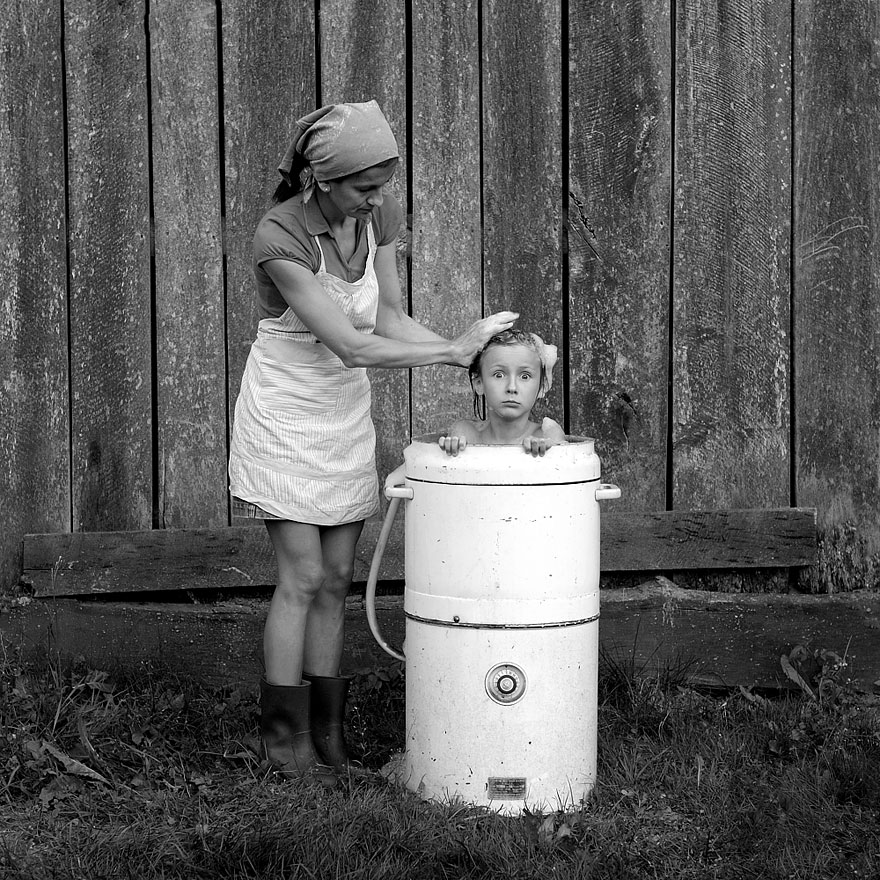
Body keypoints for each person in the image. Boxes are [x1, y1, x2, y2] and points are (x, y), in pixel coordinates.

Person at [227, 100, 517, 779]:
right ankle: (283, 745)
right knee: (299, 577)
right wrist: (450, 351)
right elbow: (353, 344)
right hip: (286, 415)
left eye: (383, 185)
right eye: (365, 187)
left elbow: (387, 314)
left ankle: (327, 738)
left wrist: (470, 354)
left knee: (336, 580)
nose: (379, 199)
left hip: (342, 415)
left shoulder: (375, 218)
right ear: (323, 180)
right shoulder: (281, 235)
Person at [439, 329, 567, 457]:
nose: (512, 387)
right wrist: (452, 451)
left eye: (525, 376)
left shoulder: (547, 434)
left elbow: (566, 466)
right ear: (479, 383)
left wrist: (547, 453)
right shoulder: (466, 433)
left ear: (542, 385)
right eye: (499, 375)